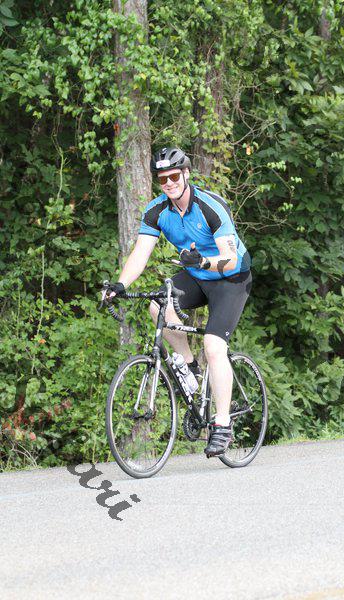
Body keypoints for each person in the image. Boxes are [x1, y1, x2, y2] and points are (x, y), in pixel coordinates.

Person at [106, 147, 252, 457]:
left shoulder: (210, 207)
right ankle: (190, 367)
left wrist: (203, 262)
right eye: (163, 179)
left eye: (174, 176)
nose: (169, 183)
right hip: (197, 276)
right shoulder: (157, 211)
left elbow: (230, 258)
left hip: (231, 278)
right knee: (158, 304)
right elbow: (140, 254)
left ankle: (222, 424)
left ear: (186, 174)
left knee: (214, 345)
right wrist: (120, 285)